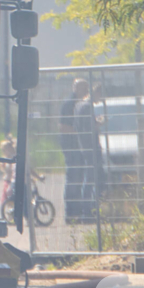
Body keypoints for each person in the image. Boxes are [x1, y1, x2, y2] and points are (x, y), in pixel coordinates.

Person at [74, 82, 105, 219]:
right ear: (96, 93)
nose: (100, 100)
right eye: (101, 96)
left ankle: (88, 210)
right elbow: (89, 128)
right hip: (90, 146)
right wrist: (99, 123)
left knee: (90, 177)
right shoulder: (87, 107)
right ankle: (88, 211)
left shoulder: (79, 104)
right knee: (91, 178)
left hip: (84, 146)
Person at [60, 78, 88, 218]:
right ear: (75, 88)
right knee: (73, 178)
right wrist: (80, 132)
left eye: (87, 88)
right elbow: (63, 127)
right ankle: (69, 212)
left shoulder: (82, 103)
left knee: (80, 177)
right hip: (70, 145)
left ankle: (77, 211)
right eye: (83, 88)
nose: (86, 91)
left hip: (79, 145)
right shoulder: (69, 104)